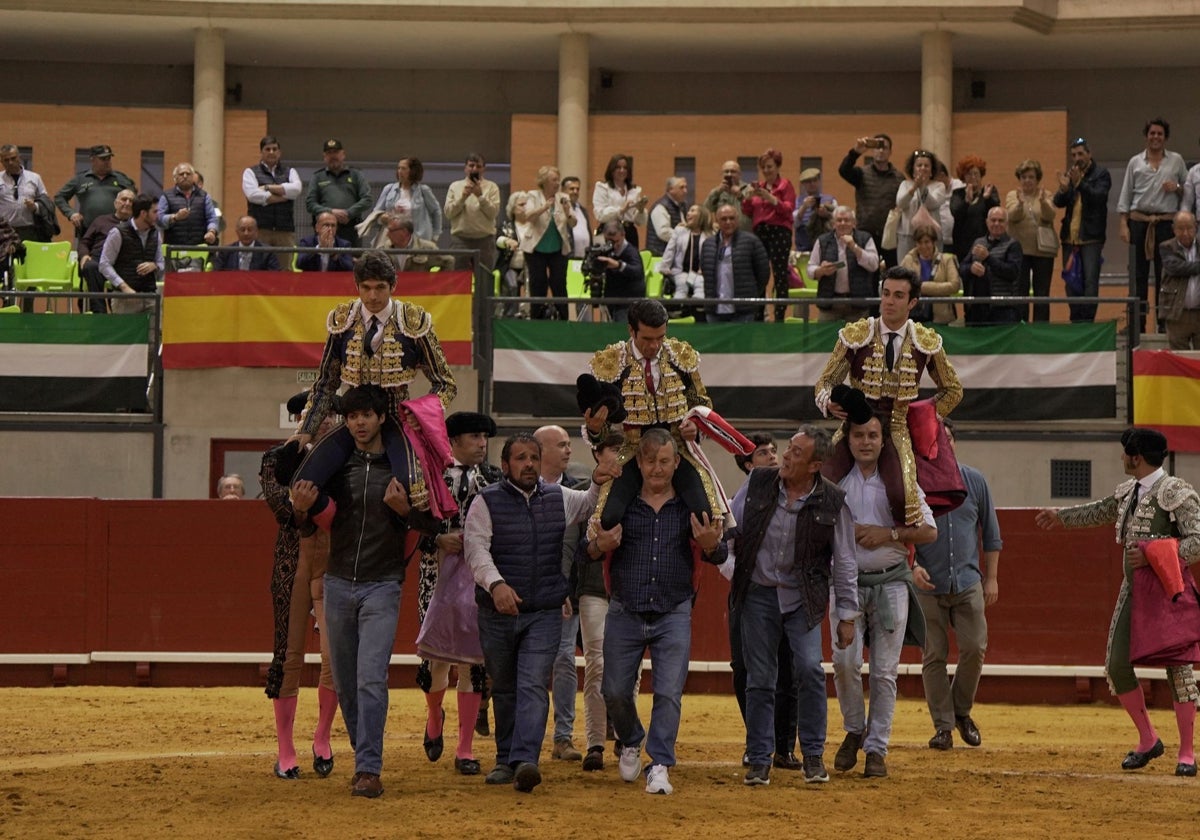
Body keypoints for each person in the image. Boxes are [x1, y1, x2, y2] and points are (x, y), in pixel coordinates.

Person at [1036, 427, 1200, 777]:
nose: (1122, 458)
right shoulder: (1130, 492)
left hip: (1169, 591)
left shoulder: (1177, 491)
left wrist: (1156, 556)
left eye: (1125, 453)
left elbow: (1198, 540)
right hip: (1134, 590)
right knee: (1115, 664)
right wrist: (1060, 517)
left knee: (1179, 669)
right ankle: (1148, 740)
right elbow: (1100, 511)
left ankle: (1187, 752)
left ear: (1136, 457)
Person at [463, 433, 609, 793]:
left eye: (533, 457)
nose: (528, 463)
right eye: (520, 458)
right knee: (506, 687)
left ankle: (524, 759)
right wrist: (496, 585)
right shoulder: (486, 502)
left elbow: (590, 502)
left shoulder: (558, 498)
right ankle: (504, 759)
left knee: (530, 684)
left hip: (543, 610)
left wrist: (598, 477)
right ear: (507, 464)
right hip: (497, 612)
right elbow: (476, 550)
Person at [289, 384, 414, 799]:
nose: (358, 423)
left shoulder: (402, 468)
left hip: (383, 583)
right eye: (352, 416)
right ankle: (365, 756)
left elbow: (429, 523)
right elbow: (309, 525)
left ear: (381, 418)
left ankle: (368, 768)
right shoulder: (337, 467)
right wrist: (302, 509)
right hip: (339, 581)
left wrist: (406, 512)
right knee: (344, 681)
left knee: (370, 678)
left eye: (366, 415)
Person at [589, 428, 724, 795]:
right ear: (639, 462)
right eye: (650, 461)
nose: (657, 469)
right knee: (614, 690)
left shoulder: (691, 507)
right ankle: (631, 738)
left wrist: (712, 547)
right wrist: (597, 546)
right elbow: (591, 549)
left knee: (668, 692)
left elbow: (720, 552)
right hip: (626, 608)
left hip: (672, 610)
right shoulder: (621, 503)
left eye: (664, 461)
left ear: (677, 462)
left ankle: (660, 762)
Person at [728, 426, 858, 786]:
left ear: (815, 465)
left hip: (803, 596)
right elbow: (730, 527)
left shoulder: (833, 501)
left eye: (796, 453)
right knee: (760, 678)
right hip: (759, 594)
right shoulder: (757, 483)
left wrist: (847, 614)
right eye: (788, 449)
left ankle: (813, 756)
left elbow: (844, 560)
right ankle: (758, 759)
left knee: (810, 670)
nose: (785, 456)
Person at [288, 250, 457, 512]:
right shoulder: (342, 321)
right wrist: (305, 430)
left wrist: (422, 414)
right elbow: (325, 383)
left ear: (393, 286)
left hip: (396, 418)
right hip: (352, 418)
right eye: (366, 288)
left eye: (380, 288)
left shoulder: (413, 322)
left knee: (415, 490)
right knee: (301, 485)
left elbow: (445, 382)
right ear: (357, 287)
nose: (373, 296)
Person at [831, 403, 936, 779]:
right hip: (844, 585)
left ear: (882, 440)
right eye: (858, 435)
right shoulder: (836, 481)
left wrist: (888, 534)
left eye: (873, 435)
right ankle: (855, 729)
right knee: (844, 664)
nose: (865, 441)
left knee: (884, 672)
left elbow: (929, 530)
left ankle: (876, 748)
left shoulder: (901, 482)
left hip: (891, 581)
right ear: (849, 439)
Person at [815, 266, 963, 527]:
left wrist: (923, 417)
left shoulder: (925, 341)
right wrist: (828, 402)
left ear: (912, 302)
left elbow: (953, 390)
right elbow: (825, 381)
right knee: (821, 485)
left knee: (902, 497)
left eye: (897, 296)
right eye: (885, 294)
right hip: (856, 424)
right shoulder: (857, 335)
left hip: (896, 427)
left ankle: (903, 555)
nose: (889, 302)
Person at [414, 411, 502, 777]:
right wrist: (435, 538)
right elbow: (410, 520)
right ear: (453, 441)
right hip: (437, 571)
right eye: (474, 437)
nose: (482, 443)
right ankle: (435, 715)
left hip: (480, 574)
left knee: (474, 662)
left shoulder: (495, 478)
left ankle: (464, 748)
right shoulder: (430, 477)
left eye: (484, 437)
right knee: (435, 660)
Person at [583, 298, 717, 532]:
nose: (655, 345)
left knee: (705, 515)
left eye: (660, 337)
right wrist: (595, 428)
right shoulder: (613, 364)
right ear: (631, 330)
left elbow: (702, 403)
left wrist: (695, 427)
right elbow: (602, 429)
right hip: (633, 449)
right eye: (647, 338)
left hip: (677, 447)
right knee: (607, 518)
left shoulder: (679, 356)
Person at [261, 397, 340, 781]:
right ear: (298, 419)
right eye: (317, 416)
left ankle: (322, 738)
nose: (326, 422)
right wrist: (301, 509)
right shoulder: (277, 458)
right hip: (294, 562)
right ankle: (286, 749)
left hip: (335, 565)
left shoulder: (347, 458)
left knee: (334, 658)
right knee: (289, 655)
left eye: (331, 415)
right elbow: (282, 510)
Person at [915, 419, 1001, 750]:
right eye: (935, 440)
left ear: (954, 443)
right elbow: (904, 534)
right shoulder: (916, 484)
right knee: (933, 655)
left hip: (967, 581)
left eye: (947, 438)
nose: (942, 444)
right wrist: (913, 566)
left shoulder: (974, 481)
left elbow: (991, 534)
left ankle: (960, 712)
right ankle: (944, 727)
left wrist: (991, 577)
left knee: (975, 648)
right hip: (928, 584)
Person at [533, 424, 588, 765]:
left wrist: (566, 589)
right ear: (542, 451)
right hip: (525, 592)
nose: (569, 450)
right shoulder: (518, 489)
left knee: (565, 658)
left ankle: (562, 736)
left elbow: (575, 550)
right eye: (562, 445)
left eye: (569, 445)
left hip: (565, 592)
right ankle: (526, 736)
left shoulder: (577, 491)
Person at [572, 432, 624, 771]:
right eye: (613, 451)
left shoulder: (642, 488)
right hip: (593, 588)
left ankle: (624, 734)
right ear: (597, 453)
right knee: (597, 666)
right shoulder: (583, 492)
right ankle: (595, 742)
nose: (619, 456)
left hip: (626, 590)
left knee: (626, 670)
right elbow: (573, 550)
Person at [1118, 118, 1188, 334]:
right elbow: (1126, 195)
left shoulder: (1176, 161)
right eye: (1152, 133)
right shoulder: (1135, 162)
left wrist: (1176, 187)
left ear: (1165, 137)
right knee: (1138, 275)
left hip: (1166, 225)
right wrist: (1123, 224)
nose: (1155, 137)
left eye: (1159, 134)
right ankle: (1137, 325)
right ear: (1146, 136)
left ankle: (1163, 324)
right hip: (1140, 223)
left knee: (1164, 275)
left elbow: (1188, 191)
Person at [1053, 138, 1112, 323]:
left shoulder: (1101, 174)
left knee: (1089, 282)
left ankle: (1087, 322)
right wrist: (1063, 189)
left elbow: (1098, 198)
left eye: (1080, 154)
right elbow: (1058, 202)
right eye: (1073, 155)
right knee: (1070, 282)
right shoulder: (1072, 174)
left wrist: (1079, 184)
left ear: (1089, 154)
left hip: (1091, 238)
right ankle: (1075, 320)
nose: (1076, 158)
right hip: (1070, 238)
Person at [514, 166, 576, 320]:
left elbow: (574, 223)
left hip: (558, 250)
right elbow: (527, 217)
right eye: (554, 180)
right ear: (544, 182)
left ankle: (564, 319)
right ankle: (536, 319)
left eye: (558, 179)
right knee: (538, 285)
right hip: (536, 250)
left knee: (559, 285)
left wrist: (568, 211)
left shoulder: (563, 198)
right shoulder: (532, 196)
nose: (557, 183)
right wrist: (544, 207)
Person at [742, 149, 796, 322]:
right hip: (760, 232)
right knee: (760, 274)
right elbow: (747, 211)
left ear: (777, 166)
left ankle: (779, 316)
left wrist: (771, 199)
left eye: (770, 166)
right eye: (763, 167)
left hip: (779, 231)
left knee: (780, 273)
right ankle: (758, 315)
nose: (766, 170)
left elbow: (788, 210)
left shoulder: (785, 185)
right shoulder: (759, 187)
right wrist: (748, 198)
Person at [838, 134, 905, 267]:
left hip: (890, 235)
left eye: (884, 148)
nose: (881, 151)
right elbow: (843, 171)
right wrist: (856, 152)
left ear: (890, 152)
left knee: (893, 273)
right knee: (867, 275)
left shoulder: (899, 178)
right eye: (877, 147)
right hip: (865, 234)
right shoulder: (861, 174)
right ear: (872, 150)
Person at [1005, 159, 1058, 322]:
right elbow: (1012, 216)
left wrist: (1042, 202)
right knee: (1020, 291)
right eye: (1024, 177)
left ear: (1037, 179)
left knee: (1042, 292)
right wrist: (1020, 204)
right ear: (1019, 179)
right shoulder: (1013, 195)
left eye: (1031, 177)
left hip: (1043, 251)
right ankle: (1021, 325)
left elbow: (1050, 216)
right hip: (1020, 251)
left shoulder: (1046, 194)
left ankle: (1041, 327)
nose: (1027, 180)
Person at [808, 205, 880, 323]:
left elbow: (874, 265)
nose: (842, 223)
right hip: (830, 305)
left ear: (854, 223)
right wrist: (821, 271)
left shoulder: (865, 238)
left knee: (858, 341)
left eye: (846, 220)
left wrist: (854, 247)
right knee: (824, 341)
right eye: (839, 220)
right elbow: (810, 269)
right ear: (833, 224)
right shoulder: (822, 240)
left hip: (857, 305)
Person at [699, 204, 770, 323]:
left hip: (743, 311)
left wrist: (750, 293)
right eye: (724, 219)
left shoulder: (751, 241)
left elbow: (763, 273)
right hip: (714, 310)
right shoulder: (708, 244)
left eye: (732, 218)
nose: (728, 222)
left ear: (737, 220)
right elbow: (705, 272)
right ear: (717, 221)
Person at [98, 193, 162, 315]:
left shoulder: (156, 234)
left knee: (152, 334)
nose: (157, 216)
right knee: (125, 334)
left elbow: (161, 262)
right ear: (143, 213)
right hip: (124, 300)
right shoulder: (117, 233)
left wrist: (155, 265)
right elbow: (104, 264)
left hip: (150, 297)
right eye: (154, 212)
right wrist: (124, 287)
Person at [53, 144, 136, 237]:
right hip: (88, 231)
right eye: (103, 159)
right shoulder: (81, 179)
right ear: (92, 159)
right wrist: (71, 214)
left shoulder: (121, 178)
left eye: (108, 158)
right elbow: (59, 197)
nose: (107, 162)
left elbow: (135, 198)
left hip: (117, 230)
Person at [960, 206, 1023, 325]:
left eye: (1001, 220)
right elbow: (962, 267)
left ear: (1007, 223)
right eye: (993, 220)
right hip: (977, 308)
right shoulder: (978, 242)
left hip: (1003, 309)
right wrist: (971, 269)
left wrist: (988, 258)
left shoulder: (1013, 245)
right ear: (987, 222)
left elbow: (1012, 272)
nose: (996, 223)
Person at [305, 139, 372, 248]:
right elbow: (310, 204)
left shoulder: (356, 175)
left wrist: (348, 213)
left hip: (351, 229)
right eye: (329, 153)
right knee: (325, 260)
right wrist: (331, 212)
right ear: (324, 157)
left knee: (352, 262)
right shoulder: (317, 177)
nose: (333, 156)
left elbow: (367, 199)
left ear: (343, 154)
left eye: (335, 152)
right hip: (325, 229)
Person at [78, 189, 135, 314]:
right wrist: (84, 255)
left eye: (131, 201)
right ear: (115, 203)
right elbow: (84, 241)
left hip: (122, 262)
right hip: (98, 259)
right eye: (124, 199)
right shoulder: (101, 221)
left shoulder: (135, 225)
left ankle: (117, 314)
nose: (127, 203)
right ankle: (100, 312)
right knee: (90, 266)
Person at [242, 135, 303, 248]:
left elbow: (296, 189)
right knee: (259, 265)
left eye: (274, 149)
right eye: (267, 149)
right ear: (261, 152)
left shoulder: (290, 171)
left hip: (285, 231)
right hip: (260, 231)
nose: (271, 152)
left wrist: (267, 187)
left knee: (284, 266)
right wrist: (283, 196)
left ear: (279, 152)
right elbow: (253, 195)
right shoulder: (250, 172)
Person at [445, 153, 501, 273]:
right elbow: (449, 213)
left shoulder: (492, 187)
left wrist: (480, 196)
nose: (474, 169)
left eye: (478, 166)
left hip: (485, 239)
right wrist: (462, 198)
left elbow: (493, 213)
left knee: (485, 278)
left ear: (483, 169)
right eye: (471, 165)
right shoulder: (455, 186)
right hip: (460, 239)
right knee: (458, 278)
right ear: (465, 168)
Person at [157, 162, 218, 270]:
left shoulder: (204, 196)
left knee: (194, 283)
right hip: (173, 250)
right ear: (175, 178)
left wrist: (211, 231)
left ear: (193, 177)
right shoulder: (166, 196)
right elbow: (159, 219)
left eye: (188, 174)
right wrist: (175, 217)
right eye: (181, 174)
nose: (185, 176)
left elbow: (211, 217)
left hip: (197, 250)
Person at [899, 223, 962, 324]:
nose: (923, 246)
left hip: (941, 318)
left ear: (934, 242)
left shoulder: (947, 260)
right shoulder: (908, 260)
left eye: (927, 242)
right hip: (914, 317)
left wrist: (923, 287)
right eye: (919, 242)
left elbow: (954, 285)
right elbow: (901, 285)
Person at [371, 157, 443, 243]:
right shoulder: (389, 189)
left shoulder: (423, 191)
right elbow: (376, 212)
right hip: (391, 238)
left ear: (412, 171)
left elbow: (436, 212)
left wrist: (435, 236)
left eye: (403, 168)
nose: (400, 171)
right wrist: (382, 218)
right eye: (398, 168)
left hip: (417, 238)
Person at [895, 149, 947, 260]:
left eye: (926, 166)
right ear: (913, 169)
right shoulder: (905, 184)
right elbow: (901, 203)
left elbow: (933, 203)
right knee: (906, 269)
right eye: (919, 165)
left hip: (931, 237)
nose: (923, 168)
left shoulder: (939, 186)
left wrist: (922, 186)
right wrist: (914, 188)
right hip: (907, 235)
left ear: (931, 170)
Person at [1159, 210, 1200, 350]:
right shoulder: (1166, 247)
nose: (1185, 233)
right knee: (1179, 360)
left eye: (1189, 228)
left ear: (1196, 227)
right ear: (1173, 229)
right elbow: (1175, 268)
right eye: (1180, 229)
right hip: (1177, 312)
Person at [592, 220, 645, 323]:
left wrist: (618, 265)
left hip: (628, 301)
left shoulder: (631, 251)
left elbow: (637, 272)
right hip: (611, 299)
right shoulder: (604, 250)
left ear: (623, 235)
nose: (614, 245)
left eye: (616, 241)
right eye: (609, 241)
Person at [949, 155, 999, 264]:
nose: (973, 177)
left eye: (976, 173)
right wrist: (966, 201)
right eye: (969, 174)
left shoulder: (990, 191)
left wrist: (986, 199)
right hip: (962, 243)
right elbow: (956, 213)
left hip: (984, 242)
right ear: (963, 177)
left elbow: (995, 213)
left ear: (981, 175)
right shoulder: (958, 194)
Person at [0, 144, 54, 242]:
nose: (10, 162)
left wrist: (36, 207)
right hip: (5, 231)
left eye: (13, 158)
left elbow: (46, 202)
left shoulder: (34, 178)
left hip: (30, 230)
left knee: (30, 257)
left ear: (19, 157)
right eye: (6, 160)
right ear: (1, 161)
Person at [592, 153, 646, 249]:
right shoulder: (602, 187)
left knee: (630, 262)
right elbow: (600, 215)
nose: (622, 171)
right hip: (607, 231)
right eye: (618, 167)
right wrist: (621, 210)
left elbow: (639, 222)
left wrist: (641, 210)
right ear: (611, 170)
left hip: (629, 232)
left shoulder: (634, 190)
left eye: (625, 168)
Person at [659, 204, 711, 303]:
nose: (688, 213)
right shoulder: (679, 231)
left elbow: (710, 256)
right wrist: (664, 267)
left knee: (701, 284)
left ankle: (697, 306)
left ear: (701, 216)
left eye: (692, 211)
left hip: (699, 274)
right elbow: (670, 249)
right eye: (688, 211)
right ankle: (677, 306)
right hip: (680, 271)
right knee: (682, 284)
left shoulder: (708, 236)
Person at [212, 216, 282, 272]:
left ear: (256, 231)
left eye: (250, 230)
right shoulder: (225, 252)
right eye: (242, 230)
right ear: (237, 232)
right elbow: (217, 276)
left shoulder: (267, 252)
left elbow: (275, 278)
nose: (246, 233)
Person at [382, 217, 452, 272]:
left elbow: (449, 261)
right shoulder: (384, 248)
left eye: (391, 231)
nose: (387, 234)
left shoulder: (427, 248)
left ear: (404, 232)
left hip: (419, 289)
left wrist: (439, 283)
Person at [793, 167, 837, 253]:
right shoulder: (798, 201)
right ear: (803, 184)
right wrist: (804, 207)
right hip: (804, 244)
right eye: (808, 181)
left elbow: (837, 219)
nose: (812, 184)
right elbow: (795, 223)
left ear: (819, 181)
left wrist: (826, 214)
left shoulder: (830, 199)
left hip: (826, 243)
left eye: (815, 180)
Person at [703, 160, 752, 231]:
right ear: (722, 174)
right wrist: (712, 224)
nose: (729, 174)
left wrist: (740, 195)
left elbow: (754, 210)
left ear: (740, 174)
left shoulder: (748, 189)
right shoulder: (717, 192)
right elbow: (704, 211)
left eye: (733, 171)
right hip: (724, 236)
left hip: (745, 234)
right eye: (726, 171)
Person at [646, 177, 689, 257]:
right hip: (659, 255)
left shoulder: (682, 206)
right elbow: (663, 233)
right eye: (681, 188)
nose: (685, 191)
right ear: (670, 190)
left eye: (686, 187)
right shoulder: (660, 207)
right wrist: (684, 235)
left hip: (673, 255)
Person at [562, 176, 592, 258]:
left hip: (584, 257)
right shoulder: (559, 210)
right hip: (567, 257)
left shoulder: (583, 211)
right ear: (563, 190)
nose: (575, 192)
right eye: (571, 189)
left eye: (577, 189)